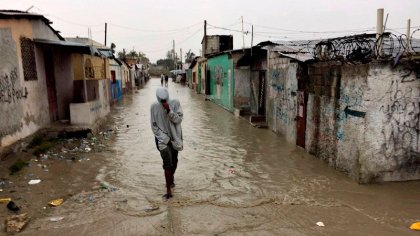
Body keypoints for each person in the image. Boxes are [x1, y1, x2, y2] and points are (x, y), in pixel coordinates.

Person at [151, 88, 183, 199]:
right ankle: (168, 190)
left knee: (174, 161)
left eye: (165, 100)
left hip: (175, 138)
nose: (164, 102)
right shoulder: (154, 107)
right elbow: (154, 126)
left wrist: (169, 111)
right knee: (167, 164)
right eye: (162, 101)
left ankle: (171, 179)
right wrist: (165, 138)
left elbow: (178, 120)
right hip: (162, 141)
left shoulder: (175, 103)